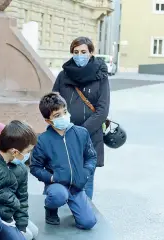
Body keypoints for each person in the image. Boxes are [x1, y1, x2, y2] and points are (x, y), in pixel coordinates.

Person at [52, 36, 110, 200]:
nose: (79, 55)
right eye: (76, 52)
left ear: (91, 53)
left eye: (83, 52)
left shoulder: (101, 76)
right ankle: (64, 209)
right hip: (64, 135)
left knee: (86, 178)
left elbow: (102, 109)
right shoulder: (64, 75)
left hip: (89, 137)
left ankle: (85, 210)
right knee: (64, 177)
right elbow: (53, 102)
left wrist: (80, 132)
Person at [30, 92, 97, 229]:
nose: (63, 117)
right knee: (58, 195)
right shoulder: (43, 140)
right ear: (48, 120)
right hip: (57, 185)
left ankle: (77, 206)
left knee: (88, 222)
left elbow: (91, 156)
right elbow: (35, 167)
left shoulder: (81, 133)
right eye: (57, 115)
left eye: (64, 112)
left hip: (77, 186)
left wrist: (86, 172)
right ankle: (51, 209)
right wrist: (52, 178)